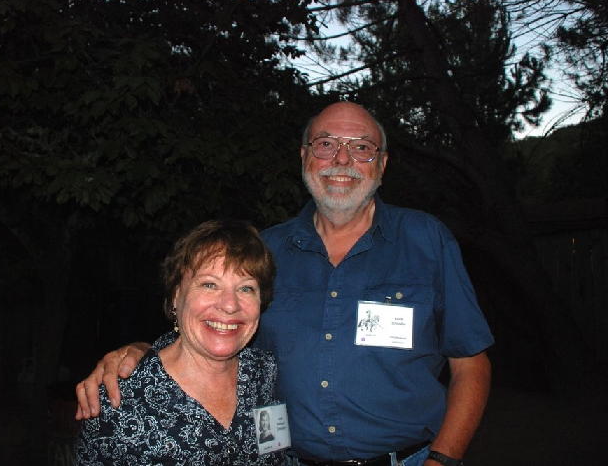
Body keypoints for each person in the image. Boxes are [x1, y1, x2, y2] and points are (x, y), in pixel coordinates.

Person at [76, 102, 494, 466]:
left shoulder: (426, 239)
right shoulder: (266, 251)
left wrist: (442, 459)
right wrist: (144, 353)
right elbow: (216, 325)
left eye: (361, 147)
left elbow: (471, 364)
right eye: (326, 144)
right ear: (305, 157)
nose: (342, 158)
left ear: (382, 165)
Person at [76, 219, 284, 465]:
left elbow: (277, 453)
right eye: (209, 284)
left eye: (246, 288)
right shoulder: (118, 400)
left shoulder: (264, 371)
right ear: (176, 295)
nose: (230, 305)